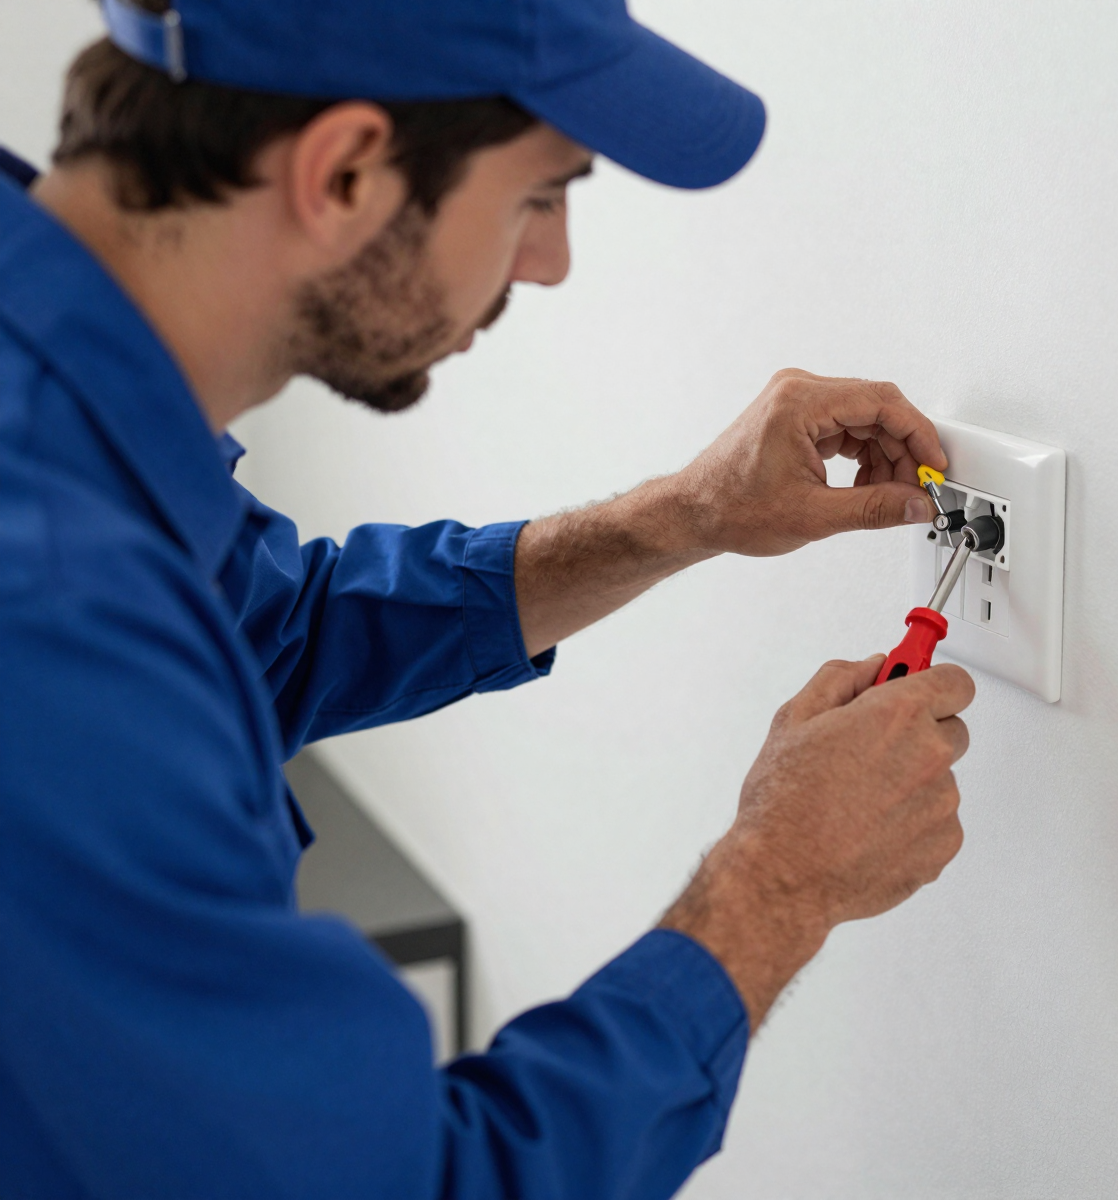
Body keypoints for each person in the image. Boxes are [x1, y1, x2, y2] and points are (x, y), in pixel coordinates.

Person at [0, 0, 976, 1196]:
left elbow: (269, 638)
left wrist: (677, 518)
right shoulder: (49, 611)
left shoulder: (56, 388)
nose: (549, 262)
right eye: (540, 195)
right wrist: (780, 882)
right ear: (346, 170)